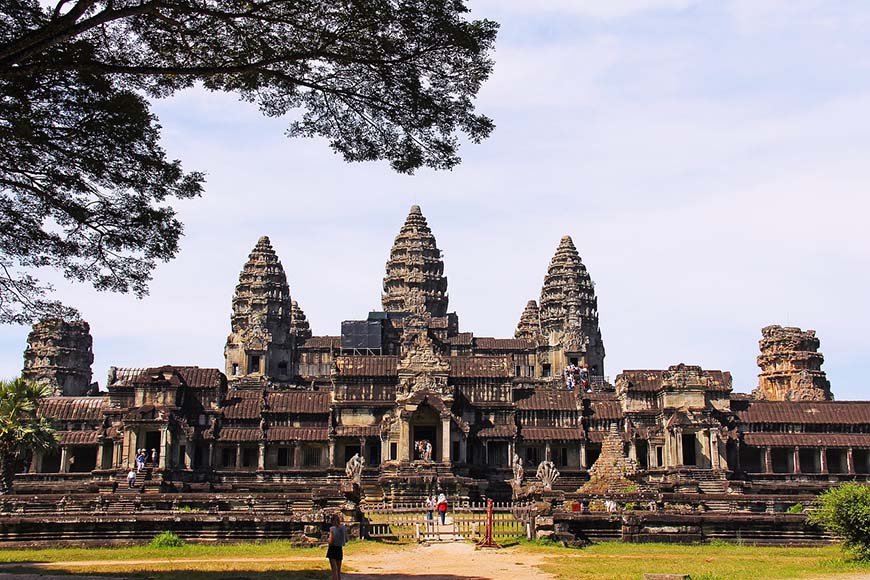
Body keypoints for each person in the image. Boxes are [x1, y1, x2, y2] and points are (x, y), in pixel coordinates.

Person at [326, 513, 347, 580]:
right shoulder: (343, 528)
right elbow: (346, 539)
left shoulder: (332, 529)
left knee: (334, 570)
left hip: (332, 549)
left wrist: (328, 540)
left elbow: (331, 540)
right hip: (339, 548)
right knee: (338, 570)